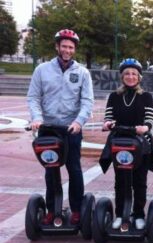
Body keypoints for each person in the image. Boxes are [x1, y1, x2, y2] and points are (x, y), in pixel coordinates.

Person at [27, 29, 94, 225]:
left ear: (74, 49)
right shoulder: (42, 70)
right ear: (57, 47)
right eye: (64, 46)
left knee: (74, 168)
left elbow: (87, 101)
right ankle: (52, 209)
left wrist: (78, 122)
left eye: (70, 47)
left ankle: (76, 209)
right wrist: (37, 118)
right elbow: (33, 97)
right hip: (47, 128)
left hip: (70, 129)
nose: (67, 50)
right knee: (51, 170)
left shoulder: (82, 72)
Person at [101, 58, 153, 230]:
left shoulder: (146, 96)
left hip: (140, 144)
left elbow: (149, 119)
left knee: (139, 181)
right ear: (122, 77)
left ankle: (139, 214)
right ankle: (120, 214)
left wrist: (145, 127)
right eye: (127, 74)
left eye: (133, 73)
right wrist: (107, 124)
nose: (130, 76)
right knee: (120, 181)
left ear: (139, 77)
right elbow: (108, 117)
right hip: (120, 143)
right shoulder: (114, 96)